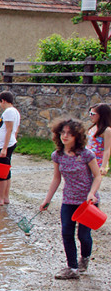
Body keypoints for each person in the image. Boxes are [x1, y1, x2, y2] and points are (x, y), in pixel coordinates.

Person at [40, 118, 102, 280]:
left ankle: (85, 259)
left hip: (87, 202)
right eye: (63, 133)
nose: (65, 136)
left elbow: (97, 176)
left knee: (83, 235)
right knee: (67, 233)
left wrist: (92, 193)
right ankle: (72, 268)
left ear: (77, 136)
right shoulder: (57, 155)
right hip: (68, 200)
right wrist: (47, 199)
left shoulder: (86, 154)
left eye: (69, 133)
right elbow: (56, 179)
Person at [86, 103, 111, 175]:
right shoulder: (92, 128)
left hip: (98, 162)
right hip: (87, 160)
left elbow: (107, 149)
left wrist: (103, 166)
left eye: (93, 114)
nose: (90, 116)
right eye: (90, 113)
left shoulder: (107, 130)